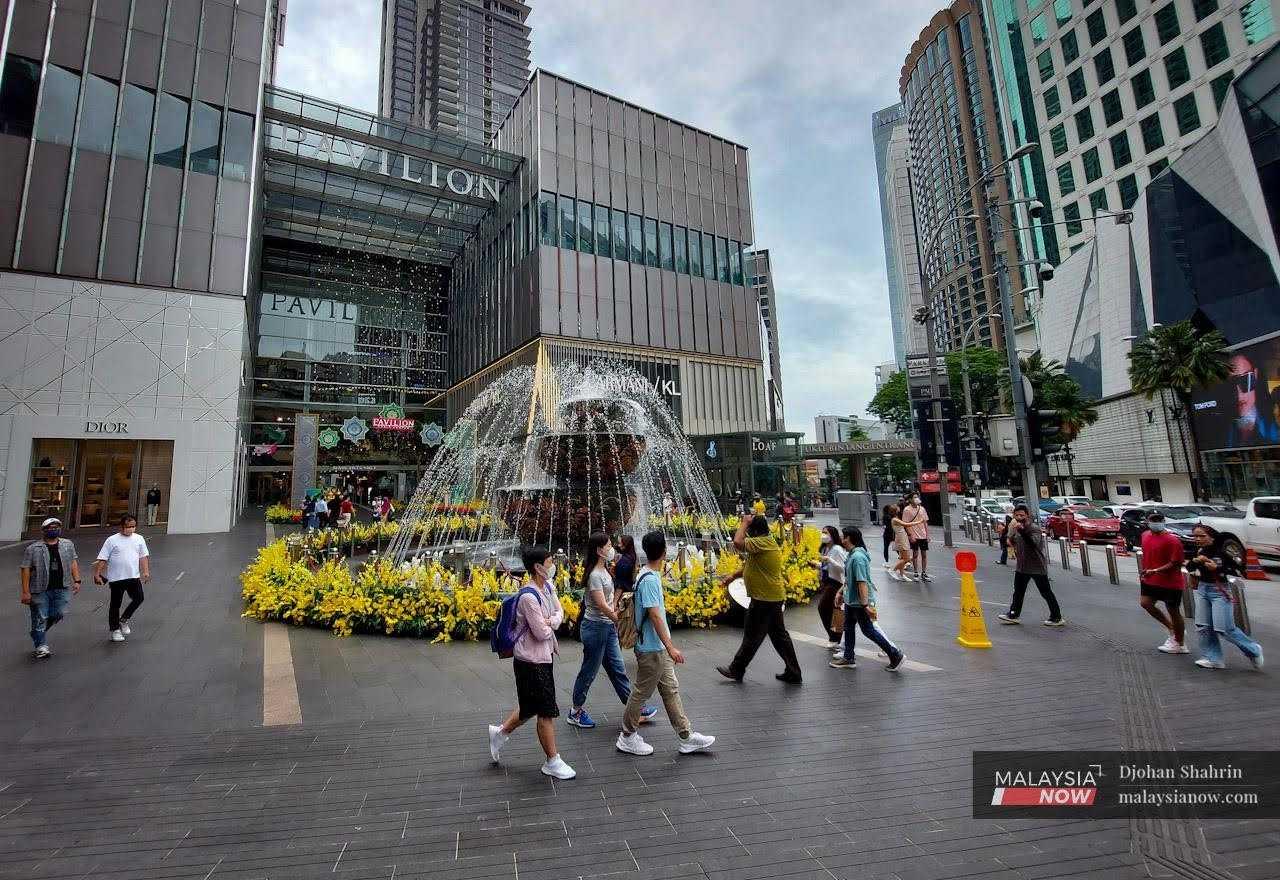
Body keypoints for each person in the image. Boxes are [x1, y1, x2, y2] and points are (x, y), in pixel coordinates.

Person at [615, 530, 716, 757]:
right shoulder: (650, 579)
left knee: (670, 690)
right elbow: (655, 615)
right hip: (652, 649)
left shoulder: (644, 573)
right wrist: (670, 647)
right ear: (664, 552)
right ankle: (627, 736)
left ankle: (686, 736)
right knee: (640, 692)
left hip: (656, 648)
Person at [487, 546, 576, 779]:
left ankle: (500, 732)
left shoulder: (547, 586)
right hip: (530, 660)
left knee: (530, 707)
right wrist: (551, 622)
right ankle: (552, 761)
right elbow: (541, 632)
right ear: (538, 567)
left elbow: (560, 612)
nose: (552, 565)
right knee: (545, 711)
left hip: (542, 657)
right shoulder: (528, 596)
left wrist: (552, 620)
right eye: (549, 562)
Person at [567, 533, 657, 729]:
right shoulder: (594, 575)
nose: (611, 548)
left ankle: (634, 707)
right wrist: (620, 619)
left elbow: (609, 601)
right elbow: (601, 605)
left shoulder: (604, 570)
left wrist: (618, 613)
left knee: (618, 669)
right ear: (599, 550)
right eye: (608, 546)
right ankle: (575, 711)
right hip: (595, 628)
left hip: (607, 628)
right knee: (589, 671)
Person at [716, 513, 803, 684]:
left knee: (752, 635)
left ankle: (736, 669)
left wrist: (744, 523)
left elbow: (737, 543)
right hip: (769, 597)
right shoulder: (763, 543)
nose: (746, 532)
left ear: (754, 530)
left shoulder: (762, 542)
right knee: (779, 637)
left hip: (765, 599)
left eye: (749, 529)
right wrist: (732, 576)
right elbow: (750, 564)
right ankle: (793, 672)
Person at [1186, 525, 1264, 670]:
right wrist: (1196, 562)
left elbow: (1238, 570)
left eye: (1201, 536)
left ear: (1211, 536)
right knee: (1203, 626)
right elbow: (1190, 567)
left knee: (1224, 629)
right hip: (1203, 589)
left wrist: (1218, 568)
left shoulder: (1223, 550)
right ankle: (1213, 658)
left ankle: (1253, 650)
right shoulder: (1200, 550)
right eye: (1195, 536)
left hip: (1219, 591)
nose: (1198, 539)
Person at [829, 527, 904, 670]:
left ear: (849, 538)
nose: (841, 540)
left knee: (868, 630)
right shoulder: (852, 555)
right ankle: (848, 657)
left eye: (843, 537)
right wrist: (840, 593)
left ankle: (895, 654)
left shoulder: (857, 558)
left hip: (859, 602)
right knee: (849, 627)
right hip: (852, 600)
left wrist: (865, 606)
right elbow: (850, 579)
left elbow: (861, 583)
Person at [19, 517, 81, 659]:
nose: (54, 530)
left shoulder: (67, 544)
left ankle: (37, 632)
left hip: (62, 586)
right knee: (40, 616)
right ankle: (41, 645)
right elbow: (25, 569)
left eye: (56, 527)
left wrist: (77, 580)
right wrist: (25, 591)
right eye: (51, 528)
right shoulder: (33, 548)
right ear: (44, 530)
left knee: (59, 613)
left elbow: (73, 562)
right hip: (40, 588)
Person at [997, 504, 1065, 627]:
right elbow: (1012, 543)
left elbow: (1032, 543)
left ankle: (1056, 616)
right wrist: (1009, 535)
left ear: (1027, 515)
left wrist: (1021, 531)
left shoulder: (1034, 528)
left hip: (1036, 566)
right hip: (1022, 566)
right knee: (1018, 591)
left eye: (1021, 515)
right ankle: (1013, 614)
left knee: (1045, 592)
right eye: (1016, 515)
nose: (1019, 517)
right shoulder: (1017, 528)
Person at [94, 514, 151, 643]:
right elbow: (103, 558)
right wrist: (97, 573)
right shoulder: (112, 540)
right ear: (121, 527)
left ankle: (124, 619)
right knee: (115, 604)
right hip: (116, 578)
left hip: (133, 576)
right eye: (128, 527)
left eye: (133, 526)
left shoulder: (139, 539)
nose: (131, 529)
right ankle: (115, 630)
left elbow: (143, 556)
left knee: (139, 598)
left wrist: (146, 571)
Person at [1139, 511, 1189, 654]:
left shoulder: (1173, 541)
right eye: (1153, 519)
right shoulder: (1144, 536)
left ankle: (1180, 644)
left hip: (1170, 582)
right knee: (1146, 603)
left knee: (1173, 610)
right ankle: (1172, 628)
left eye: (1159, 519)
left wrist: (1155, 570)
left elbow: (1176, 563)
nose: (1156, 522)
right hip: (1150, 579)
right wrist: (1148, 570)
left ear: (1163, 520)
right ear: (1147, 521)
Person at [814, 525, 847, 646]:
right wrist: (817, 565)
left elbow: (844, 567)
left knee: (823, 608)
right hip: (827, 581)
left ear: (832, 535)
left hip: (835, 583)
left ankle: (835, 637)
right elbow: (826, 567)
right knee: (833, 610)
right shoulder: (824, 549)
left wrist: (829, 560)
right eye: (822, 532)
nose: (823, 535)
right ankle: (836, 637)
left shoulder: (837, 549)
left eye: (825, 533)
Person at [900, 494, 931, 581]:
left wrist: (927, 535)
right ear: (910, 500)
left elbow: (925, 522)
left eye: (917, 497)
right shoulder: (907, 510)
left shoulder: (922, 509)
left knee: (924, 554)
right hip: (914, 535)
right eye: (914, 497)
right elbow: (905, 524)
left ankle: (924, 573)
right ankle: (916, 572)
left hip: (923, 535)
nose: (916, 499)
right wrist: (910, 535)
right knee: (915, 554)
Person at [888, 504, 913, 581]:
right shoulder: (895, 519)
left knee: (902, 558)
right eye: (897, 507)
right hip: (901, 539)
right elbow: (906, 524)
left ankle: (902, 575)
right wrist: (919, 522)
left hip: (902, 538)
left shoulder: (896, 518)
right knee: (906, 559)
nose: (899, 508)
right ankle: (893, 570)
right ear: (895, 510)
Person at [880, 504, 896, 568]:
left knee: (886, 548)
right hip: (893, 533)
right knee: (897, 548)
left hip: (887, 534)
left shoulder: (885, 516)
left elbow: (884, 525)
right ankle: (904, 559)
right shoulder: (892, 516)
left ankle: (886, 561)